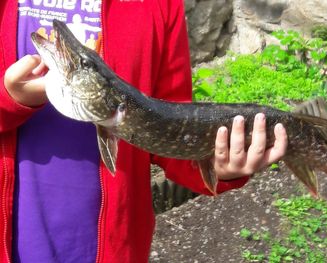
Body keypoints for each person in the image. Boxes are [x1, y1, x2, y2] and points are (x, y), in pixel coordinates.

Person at [0, 0, 288, 262]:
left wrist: (221, 165)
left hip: (115, 248)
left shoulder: (159, 5)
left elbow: (171, 127)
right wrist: (9, 100)